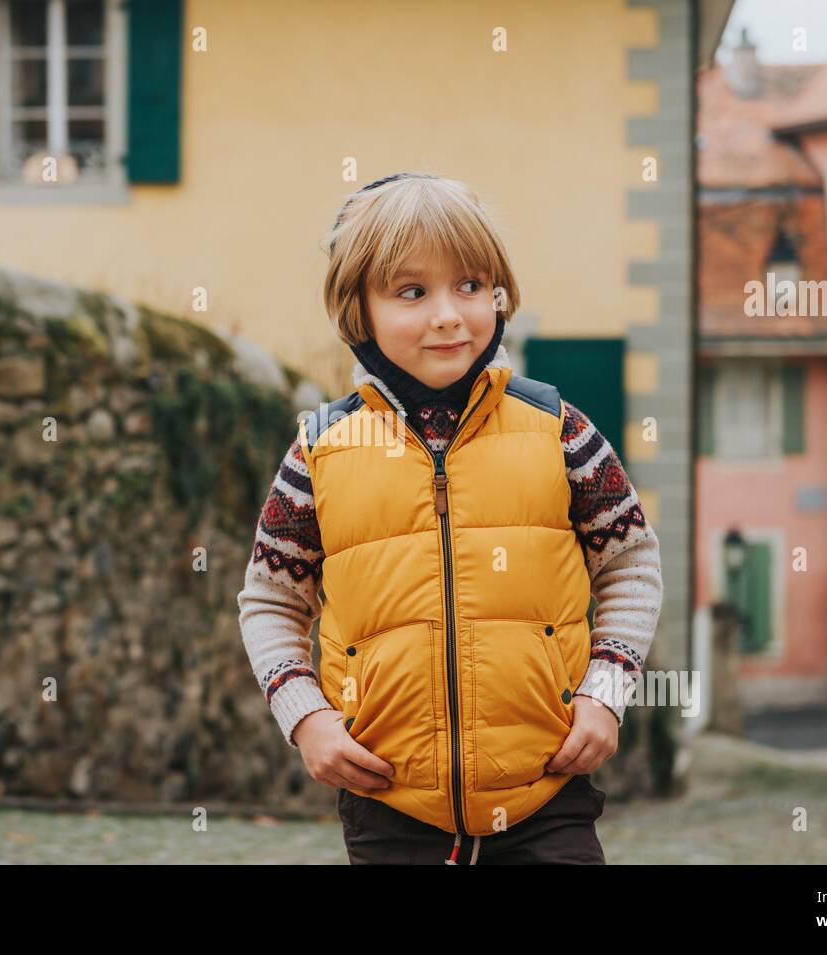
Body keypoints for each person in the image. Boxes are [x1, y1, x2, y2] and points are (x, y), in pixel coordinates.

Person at [236, 172, 663, 864]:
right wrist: (307, 718)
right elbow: (269, 601)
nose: (448, 314)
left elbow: (631, 564)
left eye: (470, 286)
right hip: (390, 803)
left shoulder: (559, 431)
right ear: (358, 309)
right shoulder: (320, 452)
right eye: (412, 291)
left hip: (546, 793)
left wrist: (605, 691)